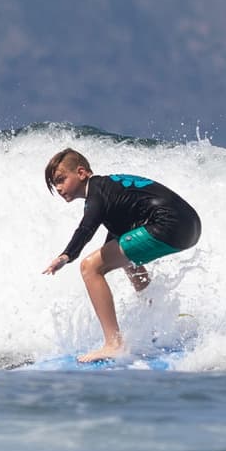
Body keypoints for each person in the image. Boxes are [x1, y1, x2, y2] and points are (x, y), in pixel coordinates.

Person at [40, 149, 202, 363]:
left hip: (169, 224)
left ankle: (113, 344)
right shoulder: (110, 190)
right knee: (126, 262)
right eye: (54, 185)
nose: (59, 188)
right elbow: (115, 239)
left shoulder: (96, 191)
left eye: (61, 180)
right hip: (189, 225)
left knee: (89, 267)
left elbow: (86, 228)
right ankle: (160, 319)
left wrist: (66, 256)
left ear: (81, 173)